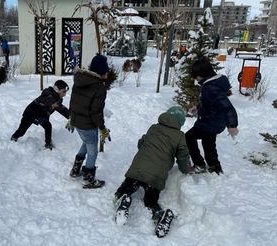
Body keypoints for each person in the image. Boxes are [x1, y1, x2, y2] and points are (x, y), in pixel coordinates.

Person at [113, 106, 192, 237]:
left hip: (138, 169)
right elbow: (183, 157)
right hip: (156, 176)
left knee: (125, 188)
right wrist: (187, 169)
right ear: (180, 122)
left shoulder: (154, 127)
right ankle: (158, 215)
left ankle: (122, 199)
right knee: (150, 201)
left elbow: (141, 143)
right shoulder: (179, 136)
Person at [185, 58, 238, 175]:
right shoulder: (213, 83)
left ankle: (199, 164)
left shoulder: (210, 87)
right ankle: (215, 167)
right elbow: (210, 103)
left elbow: (227, 107)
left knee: (188, 137)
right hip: (216, 121)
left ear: (202, 74)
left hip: (210, 122)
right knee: (208, 142)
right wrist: (198, 109)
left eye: (196, 76)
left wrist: (232, 125)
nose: (195, 79)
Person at [67, 53, 111, 189]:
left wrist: (71, 119)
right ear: (102, 71)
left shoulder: (80, 79)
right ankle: (88, 179)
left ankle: (75, 170)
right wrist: (103, 129)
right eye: (106, 69)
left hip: (78, 122)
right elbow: (95, 112)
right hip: (88, 124)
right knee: (93, 152)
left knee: (87, 142)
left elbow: (73, 101)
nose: (108, 71)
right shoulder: (99, 87)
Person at [11, 80, 70, 150]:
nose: (65, 93)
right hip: (30, 113)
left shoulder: (56, 97)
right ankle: (14, 138)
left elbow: (59, 106)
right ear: (57, 90)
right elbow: (61, 109)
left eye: (66, 91)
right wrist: (71, 117)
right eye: (63, 91)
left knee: (48, 126)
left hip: (40, 115)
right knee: (21, 131)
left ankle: (48, 144)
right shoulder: (50, 97)